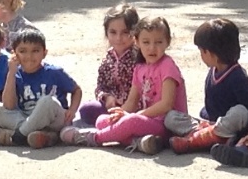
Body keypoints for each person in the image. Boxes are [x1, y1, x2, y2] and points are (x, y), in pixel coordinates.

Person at [63, 15, 186, 154]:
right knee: (103, 120)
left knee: (131, 121)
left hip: (167, 125)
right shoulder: (140, 67)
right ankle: (140, 143)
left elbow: (166, 105)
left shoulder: (167, 66)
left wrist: (137, 115)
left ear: (167, 42)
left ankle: (94, 138)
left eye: (158, 42)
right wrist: (121, 114)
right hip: (148, 121)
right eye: (146, 42)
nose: (152, 48)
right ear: (137, 42)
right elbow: (131, 102)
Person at [166, 17, 248, 166]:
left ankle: (193, 141)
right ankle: (210, 136)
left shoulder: (238, 77)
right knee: (171, 117)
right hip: (213, 124)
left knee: (240, 112)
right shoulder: (213, 70)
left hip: (232, 127)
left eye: (202, 51)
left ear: (212, 54)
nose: (201, 55)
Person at [0, 28, 81, 147]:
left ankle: (18, 136)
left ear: (44, 53)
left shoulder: (54, 72)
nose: (29, 56)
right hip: (27, 116)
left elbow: (76, 90)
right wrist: (11, 73)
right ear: (14, 54)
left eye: (35, 51)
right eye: (23, 51)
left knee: (47, 101)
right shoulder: (15, 74)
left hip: (54, 119)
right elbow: (9, 106)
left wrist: (72, 110)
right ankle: (46, 136)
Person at [77, 3, 140, 127]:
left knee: (133, 119)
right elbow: (101, 86)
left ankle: (118, 125)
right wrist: (107, 97)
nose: (118, 38)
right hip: (111, 107)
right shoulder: (108, 58)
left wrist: (125, 107)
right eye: (113, 32)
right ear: (106, 33)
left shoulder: (139, 57)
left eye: (125, 32)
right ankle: (113, 124)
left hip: (135, 107)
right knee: (86, 109)